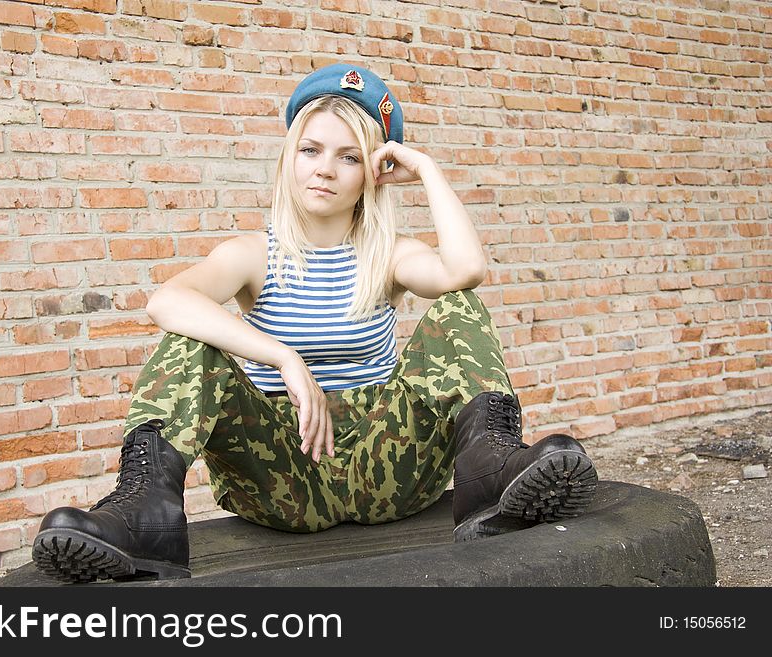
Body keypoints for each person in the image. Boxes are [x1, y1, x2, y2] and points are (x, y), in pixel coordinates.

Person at [32, 64, 598, 583]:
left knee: (459, 306)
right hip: (284, 474)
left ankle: (490, 471)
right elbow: (167, 301)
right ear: (288, 158)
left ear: (374, 173)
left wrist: (426, 169)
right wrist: (285, 359)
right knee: (190, 341)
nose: (325, 168)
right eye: (310, 150)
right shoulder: (254, 254)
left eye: (349, 157)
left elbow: (465, 269)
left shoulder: (388, 254)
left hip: (390, 467)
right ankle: (144, 512)